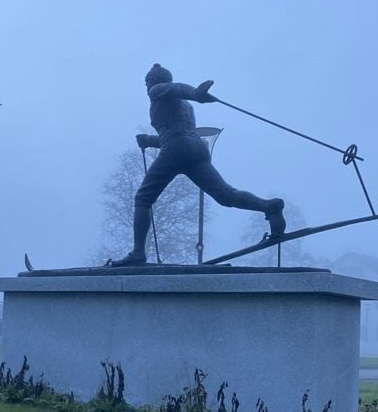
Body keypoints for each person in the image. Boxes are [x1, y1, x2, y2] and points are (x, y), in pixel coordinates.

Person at [108, 63, 285, 267]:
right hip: (196, 148)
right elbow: (173, 134)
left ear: (156, 81)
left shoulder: (160, 89)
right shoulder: (184, 105)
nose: (147, 87)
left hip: (177, 148)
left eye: (148, 82)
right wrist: (149, 140)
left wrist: (196, 93)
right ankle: (269, 206)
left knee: (143, 198)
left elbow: (176, 91)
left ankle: (138, 252)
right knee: (226, 195)